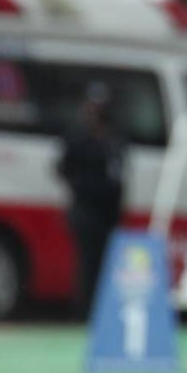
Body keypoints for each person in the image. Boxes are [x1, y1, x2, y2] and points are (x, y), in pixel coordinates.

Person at [56, 84, 127, 316]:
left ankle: (102, 312)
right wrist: (81, 187)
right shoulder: (79, 136)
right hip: (86, 210)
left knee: (106, 264)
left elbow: (119, 172)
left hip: (108, 211)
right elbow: (62, 168)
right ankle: (83, 312)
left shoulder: (114, 137)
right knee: (87, 264)